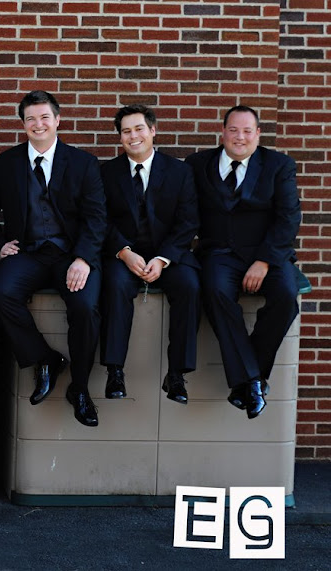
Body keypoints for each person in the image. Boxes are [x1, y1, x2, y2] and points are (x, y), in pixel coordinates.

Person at [0, 90, 106, 427]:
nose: (38, 124)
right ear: (23, 124)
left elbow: (96, 219)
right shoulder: (6, 163)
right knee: (0, 292)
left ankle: (80, 388)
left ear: (57, 120)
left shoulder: (83, 163)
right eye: (31, 119)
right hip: (28, 252)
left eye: (45, 117)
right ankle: (45, 358)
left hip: (71, 254)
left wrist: (84, 259)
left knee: (85, 307)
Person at [185, 105, 301, 419]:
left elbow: (288, 218)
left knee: (286, 296)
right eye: (234, 130)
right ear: (222, 132)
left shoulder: (278, 165)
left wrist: (264, 261)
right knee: (215, 292)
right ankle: (253, 382)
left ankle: (248, 380)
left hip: (267, 255)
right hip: (219, 254)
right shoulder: (198, 164)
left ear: (258, 134)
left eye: (247, 131)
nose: (240, 137)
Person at [100, 104, 201, 404]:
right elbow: (100, 219)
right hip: (124, 255)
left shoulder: (180, 172)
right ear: (120, 137)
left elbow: (188, 221)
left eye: (139, 129)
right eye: (126, 131)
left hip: (167, 255)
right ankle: (115, 370)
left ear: (153, 131)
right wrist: (124, 252)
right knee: (115, 285)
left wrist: (162, 258)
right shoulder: (106, 173)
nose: (133, 136)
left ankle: (177, 374)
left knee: (190, 286)